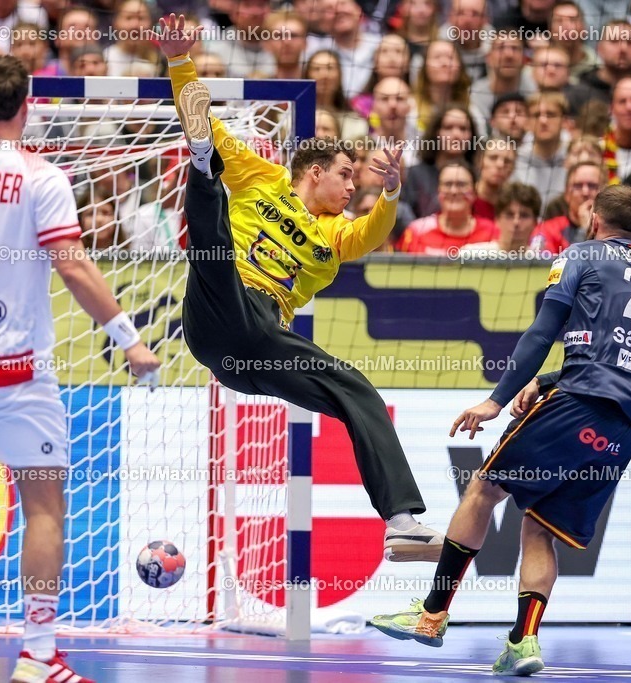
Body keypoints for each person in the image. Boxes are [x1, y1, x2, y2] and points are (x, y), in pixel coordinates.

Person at [0, 55, 160, 683]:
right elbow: (71, 265)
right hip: (16, 370)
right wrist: (128, 339)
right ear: (28, 104)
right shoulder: (39, 177)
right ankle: (39, 656)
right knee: (43, 505)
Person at [156, 14, 444, 562]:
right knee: (211, 214)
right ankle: (199, 172)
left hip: (256, 349)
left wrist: (389, 196)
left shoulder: (335, 235)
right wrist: (179, 61)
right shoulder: (259, 176)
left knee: (356, 390)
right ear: (315, 172)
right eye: (346, 176)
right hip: (223, 299)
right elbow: (206, 122)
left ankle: (402, 521)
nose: (351, 187)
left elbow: (372, 232)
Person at [370, 185, 631, 676]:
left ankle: (431, 615)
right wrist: (547, 381)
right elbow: (618, 354)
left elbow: (543, 331)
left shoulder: (580, 254)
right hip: (626, 425)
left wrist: (496, 399)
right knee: (538, 528)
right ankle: (523, 643)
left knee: (482, 490)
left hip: (581, 402)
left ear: (592, 217)